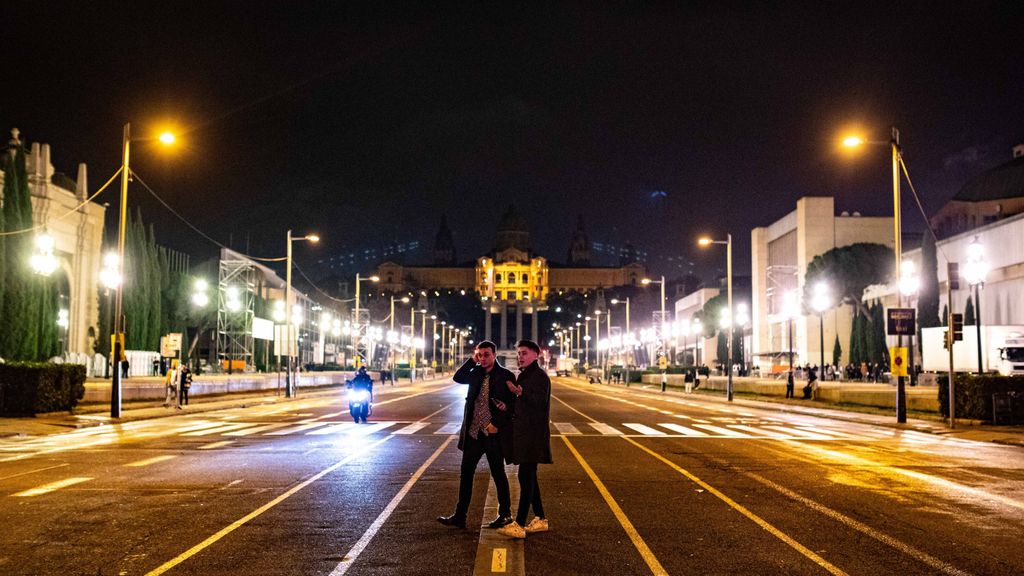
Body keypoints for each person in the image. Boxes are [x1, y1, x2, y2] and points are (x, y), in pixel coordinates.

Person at [438, 340, 517, 530]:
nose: (483, 358)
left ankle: (505, 514)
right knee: (466, 474)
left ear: (494, 354)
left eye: (486, 355)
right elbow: (458, 377)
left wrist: (496, 424)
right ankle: (460, 515)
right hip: (474, 434)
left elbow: (512, 406)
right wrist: (472, 361)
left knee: (498, 474)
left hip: (492, 435)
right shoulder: (475, 373)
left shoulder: (505, 375)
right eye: (480, 355)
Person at [497, 340, 553, 539]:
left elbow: (539, 402)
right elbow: (522, 405)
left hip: (533, 435)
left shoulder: (539, 377)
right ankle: (540, 518)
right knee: (528, 476)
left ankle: (519, 524)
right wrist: (507, 406)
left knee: (526, 476)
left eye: (525, 353)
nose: (520, 356)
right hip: (525, 434)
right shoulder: (525, 376)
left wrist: (520, 392)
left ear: (535, 355)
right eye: (519, 353)